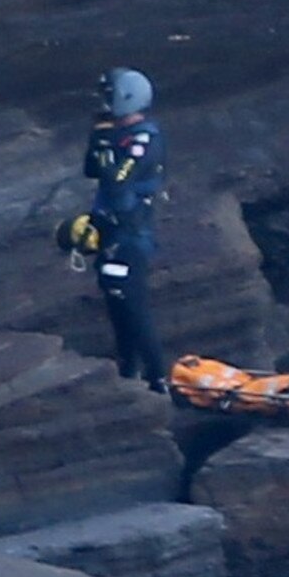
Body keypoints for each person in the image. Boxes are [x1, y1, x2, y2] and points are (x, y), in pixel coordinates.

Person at [83, 67, 168, 393]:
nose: (103, 104)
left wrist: (107, 147)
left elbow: (117, 180)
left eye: (109, 97)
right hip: (110, 232)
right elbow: (91, 169)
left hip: (131, 235)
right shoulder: (115, 135)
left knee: (134, 304)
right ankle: (128, 367)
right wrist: (98, 140)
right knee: (116, 303)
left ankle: (157, 377)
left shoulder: (144, 140)